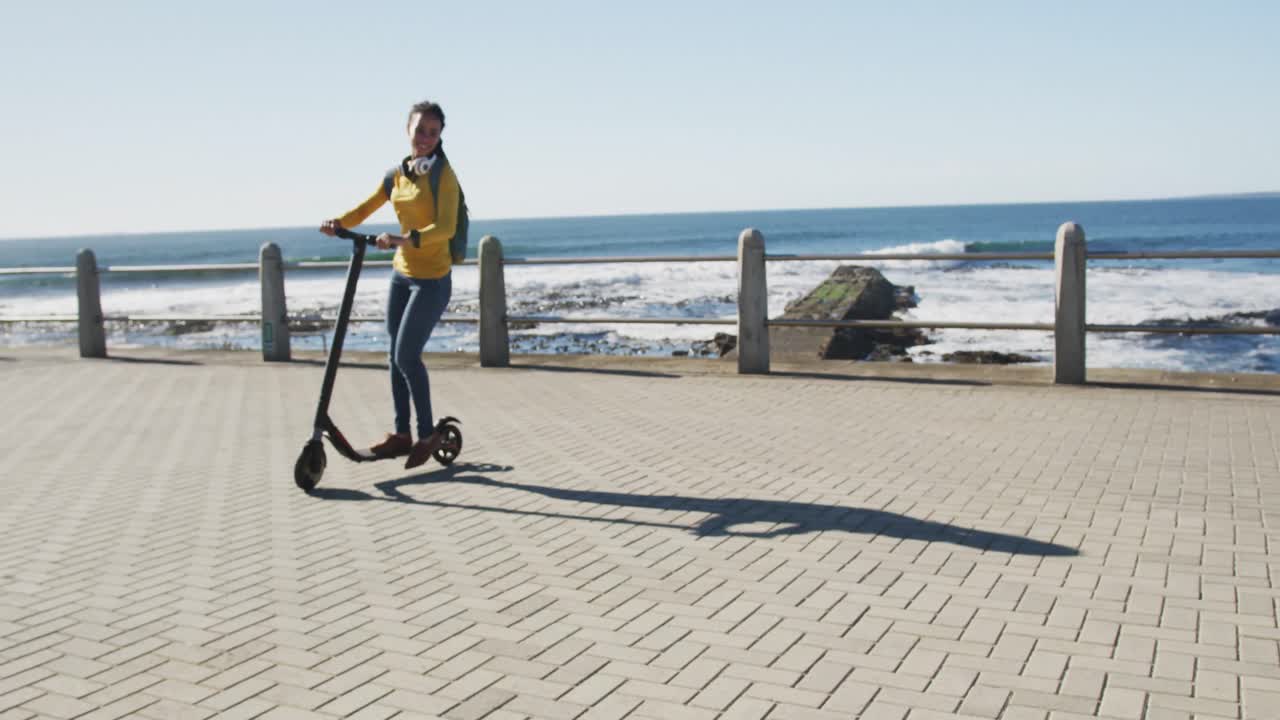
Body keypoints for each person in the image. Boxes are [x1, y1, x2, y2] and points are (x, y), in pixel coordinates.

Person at [320, 100, 460, 469]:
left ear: (440, 136)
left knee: (406, 356)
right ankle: (401, 435)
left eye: (433, 132)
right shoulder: (396, 175)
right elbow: (366, 208)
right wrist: (339, 223)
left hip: (432, 281)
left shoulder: (443, 176)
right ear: (408, 130)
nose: (425, 138)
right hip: (403, 276)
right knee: (393, 355)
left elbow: (445, 228)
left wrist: (401, 239)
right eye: (420, 130)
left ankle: (426, 432)